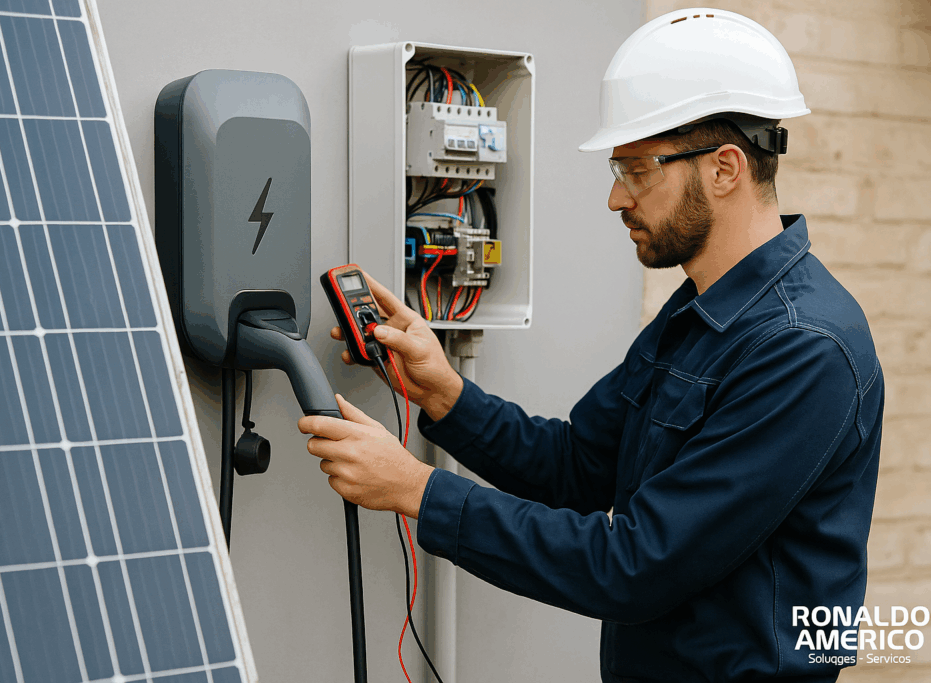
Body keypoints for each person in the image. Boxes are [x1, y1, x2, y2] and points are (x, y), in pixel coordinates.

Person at [300, 9, 883, 682]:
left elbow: (637, 563)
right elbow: (574, 465)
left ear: (725, 169)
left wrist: (418, 490)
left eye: (637, 170)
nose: (614, 197)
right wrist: (445, 393)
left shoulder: (804, 351)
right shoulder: (699, 310)